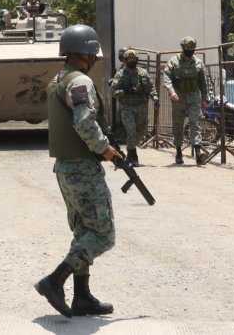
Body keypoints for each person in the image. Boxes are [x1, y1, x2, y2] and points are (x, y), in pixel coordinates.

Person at [34, 24, 120, 319]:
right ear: (88, 52)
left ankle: (82, 297)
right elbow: (85, 123)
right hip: (83, 168)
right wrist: (104, 148)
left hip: (66, 167)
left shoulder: (59, 78)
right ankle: (54, 281)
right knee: (103, 234)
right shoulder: (79, 81)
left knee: (84, 230)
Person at [162, 36, 209, 165]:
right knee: (178, 124)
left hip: (194, 97)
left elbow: (203, 83)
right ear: (182, 48)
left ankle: (198, 154)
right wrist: (171, 91)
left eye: (191, 49)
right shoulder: (174, 61)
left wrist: (205, 99)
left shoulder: (198, 63)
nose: (189, 50)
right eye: (187, 48)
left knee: (195, 122)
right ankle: (178, 152)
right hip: (179, 97)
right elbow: (166, 78)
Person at [110, 49, 157, 166]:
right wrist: (127, 91)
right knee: (131, 130)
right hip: (127, 106)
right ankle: (133, 156)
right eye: (129, 59)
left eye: (134, 59)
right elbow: (113, 92)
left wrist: (155, 98)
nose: (132, 61)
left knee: (141, 132)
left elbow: (151, 88)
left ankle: (130, 150)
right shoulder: (120, 75)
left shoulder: (143, 73)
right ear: (125, 61)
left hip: (141, 106)